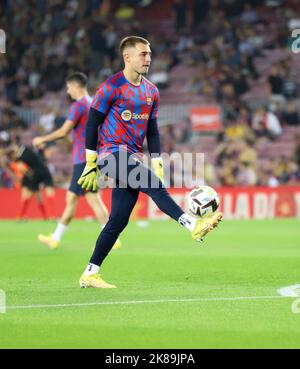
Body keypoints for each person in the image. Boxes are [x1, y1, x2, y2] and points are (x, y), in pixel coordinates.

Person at [77, 36, 222, 289]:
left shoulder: (151, 91)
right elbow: (92, 123)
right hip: (110, 155)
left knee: (118, 221)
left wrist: (157, 160)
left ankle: (90, 273)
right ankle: (193, 225)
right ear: (127, 57)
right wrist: (90, 161)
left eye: (149, 54)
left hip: (131, 156)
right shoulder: (111, 87)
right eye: (143, 54)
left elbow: (152, 132)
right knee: (153, 185)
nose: (149, 58)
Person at [32, 72, 121, 250]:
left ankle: (110, 238)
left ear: (76, 86)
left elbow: (64, 131)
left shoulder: (79, 105)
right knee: (80, 198)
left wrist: (43, 139)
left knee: (83, 198)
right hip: (94, 157)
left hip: (83, 159)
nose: (68, 90)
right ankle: (56, 238)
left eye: (68, 87)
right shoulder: (95, 103)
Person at [6, 143, 54, 220]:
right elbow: (23, 169)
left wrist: (29, 174)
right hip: (39, 173)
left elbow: (23, 169)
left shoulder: (21, 153)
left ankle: (21, 216)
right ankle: (49, 216)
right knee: (38, 196)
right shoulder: (21, 154)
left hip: (35, 175)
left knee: (33, 196)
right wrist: (30, 174)